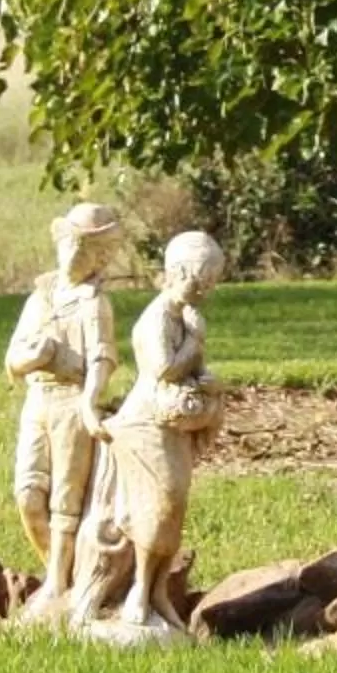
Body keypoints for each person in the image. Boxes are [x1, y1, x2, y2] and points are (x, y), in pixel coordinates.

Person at [77, 229, 226, 635]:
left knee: (175, 507)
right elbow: (164, 369)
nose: (205, 292)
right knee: (157, 508)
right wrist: (196, 342)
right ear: (176, 272)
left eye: (211, 284)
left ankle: (158, 590)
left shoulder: (185, 316)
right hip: (146, 424)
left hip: (173, 422)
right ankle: (138, 590)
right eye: (200, 281)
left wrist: (208, 380)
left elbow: (190, 371)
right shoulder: (157, 318)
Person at [3, 200, 120, 609]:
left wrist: (90, 400)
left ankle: (58, 583)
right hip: (38, 399)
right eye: (71, 243)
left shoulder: (93, 303)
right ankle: (66, 571)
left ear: (101, 256)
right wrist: (36, 356)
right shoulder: (40, 299)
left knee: (66, 499)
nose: (75, 254)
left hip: (71, 402)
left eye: (88, 248)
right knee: (28, 493)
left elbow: (104, 357)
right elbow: (12, 360)